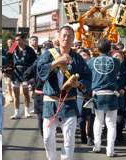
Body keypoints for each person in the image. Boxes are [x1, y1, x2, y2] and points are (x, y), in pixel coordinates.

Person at [37, 26, 92, 160]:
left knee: (69, 138)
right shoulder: (48, 54)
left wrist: (79, 84)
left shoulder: (78, 58)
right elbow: (40, 72)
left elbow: (88, 77)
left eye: (69, 36)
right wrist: (57, 62)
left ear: (73, 39)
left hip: (69, 101)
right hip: (51, 101)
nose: (66, 38)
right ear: (58, 37)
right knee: (48, 137)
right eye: (64, 35)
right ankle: (52, 158)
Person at [86, 38, 121, 157]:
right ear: (110, 49)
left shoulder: (91, 61)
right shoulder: (115, 61)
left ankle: (97, 145)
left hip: (97, 94)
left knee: (98, 119)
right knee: (111, 124)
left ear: (98, 49)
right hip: (112, 94)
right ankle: (110, 150)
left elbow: (87, 75)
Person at [10, 34, 38, 119]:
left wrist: (32, 74)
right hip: (15, 73)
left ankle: (26, 111)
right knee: (16, 94)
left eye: (19, 40)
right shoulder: (13, 49)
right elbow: (8, 59)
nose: (17, 42)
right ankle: (16, 112)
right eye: (16, 40)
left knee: (26, 93)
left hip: (26, 73)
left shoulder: (29, 50)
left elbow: (34, 62)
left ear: (23, 39)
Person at [111, 51, 126, 144]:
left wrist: (124, 89)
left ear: (122, 59)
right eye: (115, 56)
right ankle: (111, 137)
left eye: (119, 56)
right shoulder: (108, 69)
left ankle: (119, 135)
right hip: (109, 98)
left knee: (120, 119)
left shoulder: (125, 70)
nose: (117, 58)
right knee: (110, 120)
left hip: (120, 97)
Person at [23, 56, 46, 137]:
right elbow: (25, 75)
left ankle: (50, 133)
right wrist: (33, 80)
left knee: (51, 115)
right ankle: (43, 135)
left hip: (51, 95)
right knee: (40, 115)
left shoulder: (54, 66)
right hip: (39, 93)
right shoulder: (36, 66)